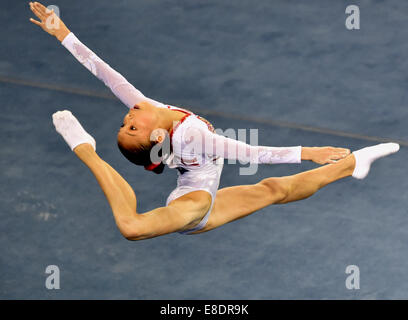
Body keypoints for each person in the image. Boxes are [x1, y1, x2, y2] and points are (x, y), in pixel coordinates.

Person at [29, 2, 400, 240]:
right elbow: (252, 152)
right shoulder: (190, 136)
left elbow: (104, 73)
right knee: (131, 226)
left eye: (125, 123)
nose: (127, 116)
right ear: (156, 135)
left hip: (201, 194)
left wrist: (62, 33)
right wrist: (310, 151)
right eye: (131, 128)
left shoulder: (145, 107)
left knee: (276, 190)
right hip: (193, 204)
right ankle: (85, 149)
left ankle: (354, 161)